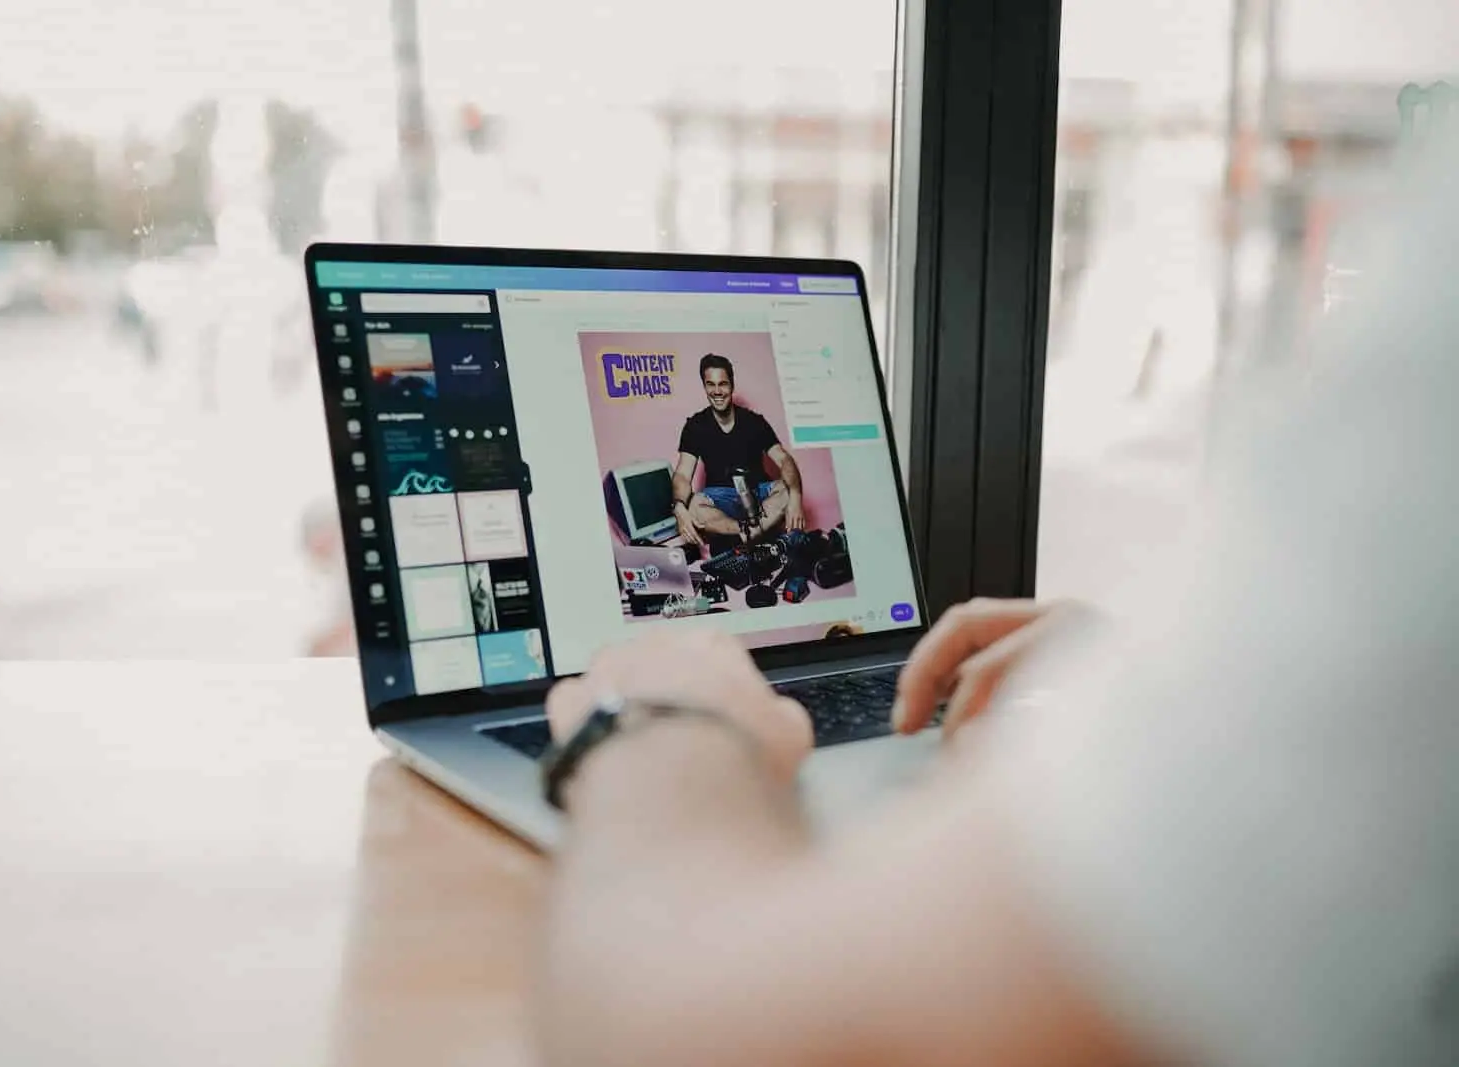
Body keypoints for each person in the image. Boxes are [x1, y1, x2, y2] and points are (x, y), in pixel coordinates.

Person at [534, 151, 1459, 1067]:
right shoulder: (696, 433)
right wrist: (1189, 693)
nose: (722, 392)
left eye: (727, 381)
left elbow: (704, 1042)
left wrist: (658, 727)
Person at [671, 354, 805, 546]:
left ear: (732, 385)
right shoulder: (695, 426)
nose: (717, 391)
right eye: (711, 384)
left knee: (787, 491)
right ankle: (748, 533)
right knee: (693, 506)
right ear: (704, 386)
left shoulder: (755, 422)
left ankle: (748, 535)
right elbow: (683, 475)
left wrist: (796, 498)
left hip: (758, 496)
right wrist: (679, 507)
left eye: (723, 384)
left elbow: (784, 460)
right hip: (720, 501)